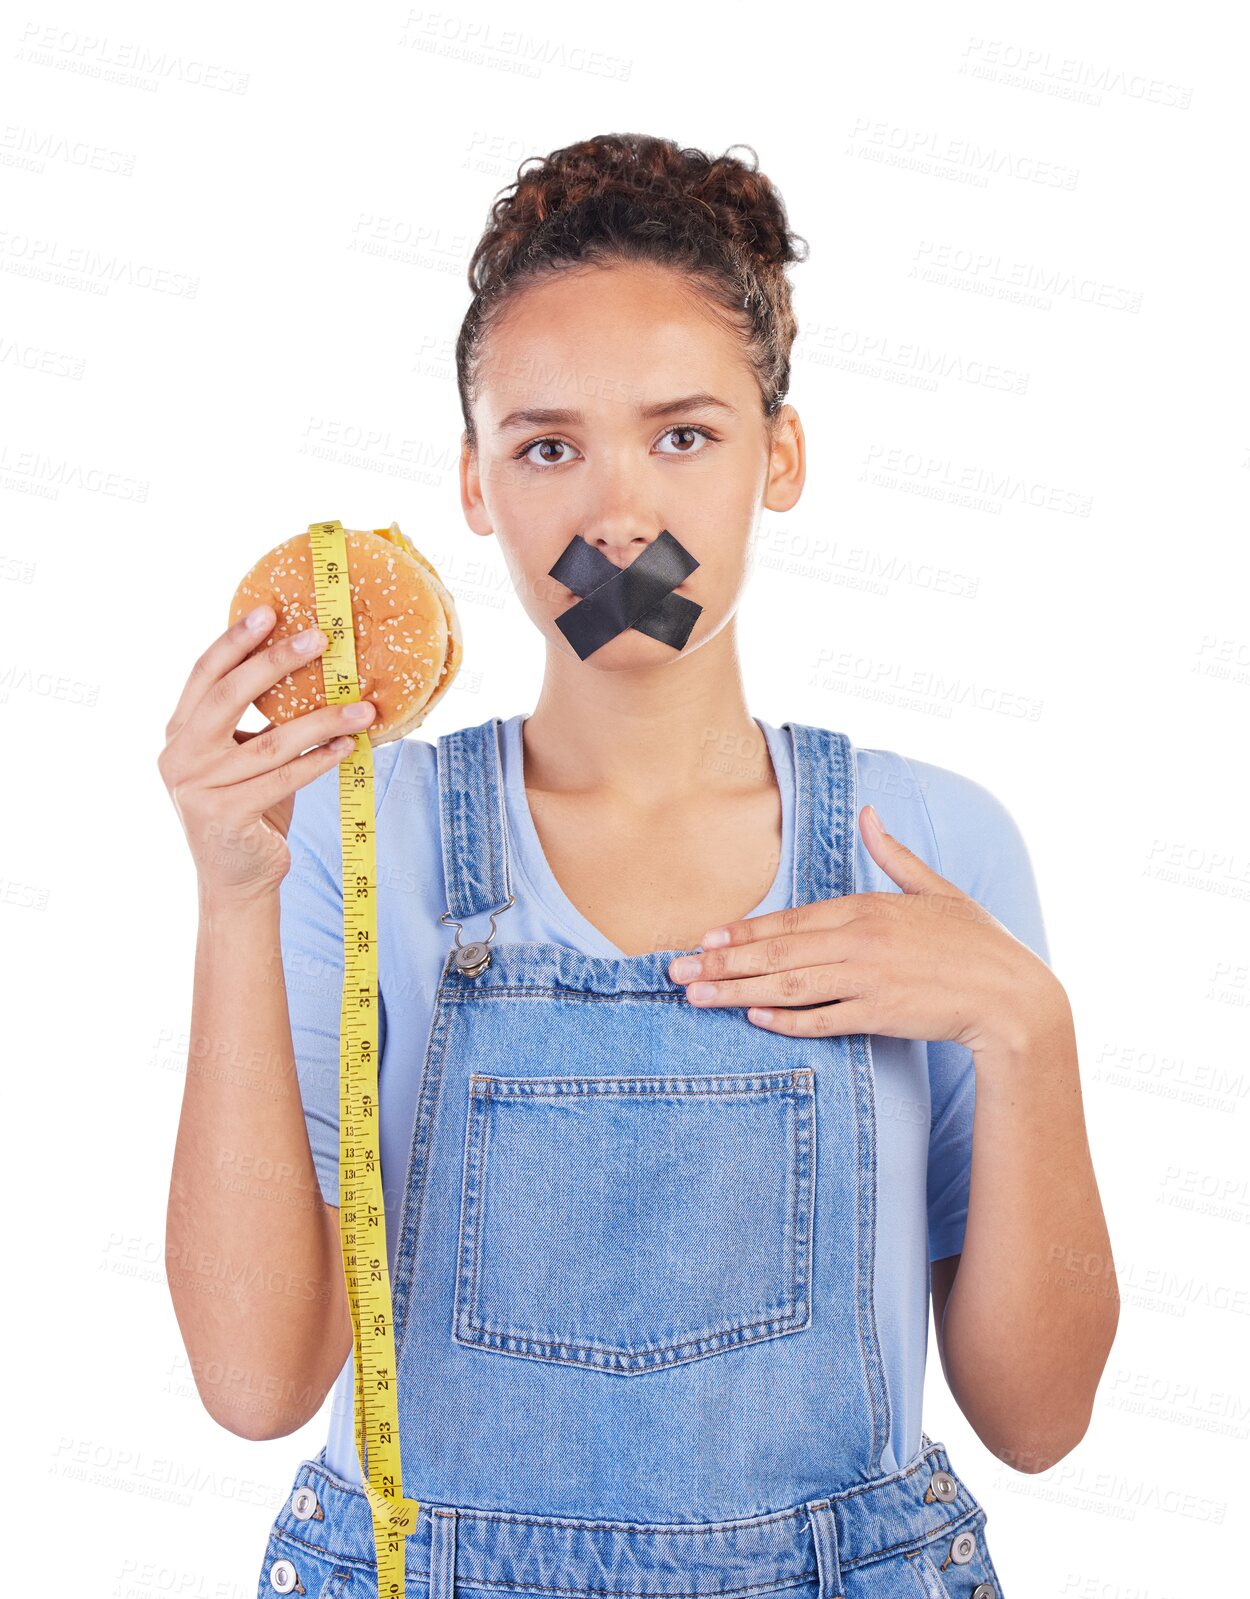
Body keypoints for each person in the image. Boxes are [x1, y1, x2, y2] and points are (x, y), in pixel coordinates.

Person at [160, 132, 1118, 1599]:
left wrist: (1024, 1025)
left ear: (777, 456)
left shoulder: (933, 848)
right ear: (475, 487)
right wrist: (234, 895)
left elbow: (1037, 1423)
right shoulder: (350, 841)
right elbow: (253, 1384)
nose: (615, 517)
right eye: (547, 446)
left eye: (682, 435)